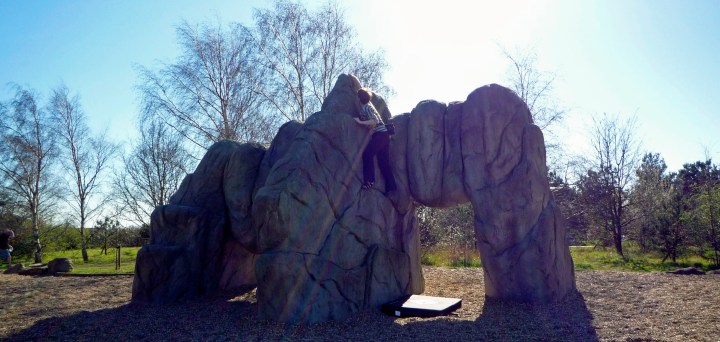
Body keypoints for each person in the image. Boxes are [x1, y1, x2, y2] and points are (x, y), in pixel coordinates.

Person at [354, 88, 397, 195]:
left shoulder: (367, 107)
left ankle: (369, 180)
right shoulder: (369, 106)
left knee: (367, 154)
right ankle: (391, 187)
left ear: (359, 98)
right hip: (384, 135)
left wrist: (359, 122)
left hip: (381, 135)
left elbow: (374, 121)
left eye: (357, 96)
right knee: (383, 162)